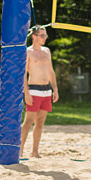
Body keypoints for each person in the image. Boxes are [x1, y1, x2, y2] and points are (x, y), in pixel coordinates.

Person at [21, 25, 59, 158]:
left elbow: (51, 71)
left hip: (46, 90)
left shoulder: (46, 51)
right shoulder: (28, 52)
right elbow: (23, 74)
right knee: (28, 121)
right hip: (34, 90)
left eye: (45, 35)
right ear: (34, 37)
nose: (45, 38)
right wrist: (26, 93)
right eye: (42, 35)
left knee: (40, 122)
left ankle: (35, 151)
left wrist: (55, 89)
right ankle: (19, 151)